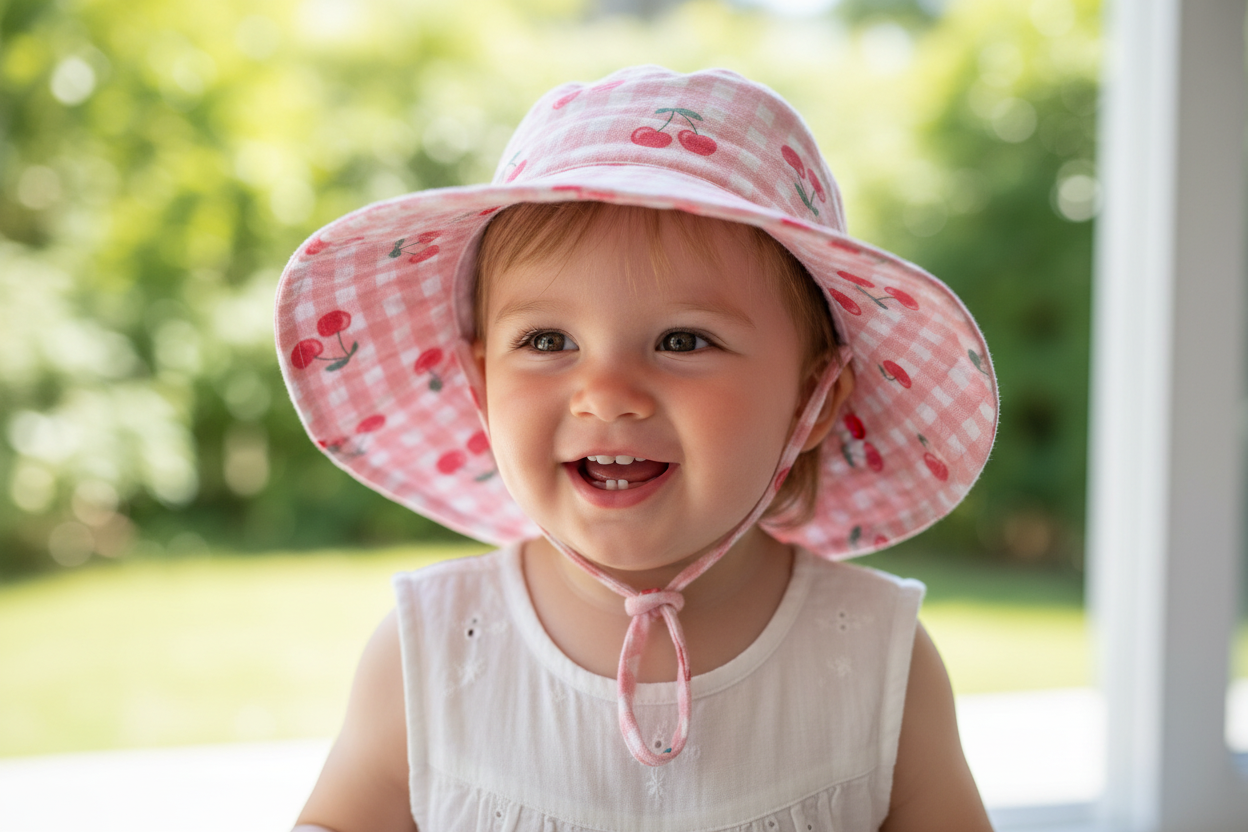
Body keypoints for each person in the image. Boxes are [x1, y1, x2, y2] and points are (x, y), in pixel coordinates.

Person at [277, 65, 997, 832]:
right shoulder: (434, 651)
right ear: (481, 383)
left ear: (812, 400)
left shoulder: (878, 661)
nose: (608, 391)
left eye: (683, 339)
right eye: (548, 340)